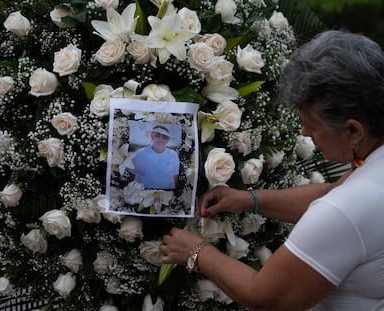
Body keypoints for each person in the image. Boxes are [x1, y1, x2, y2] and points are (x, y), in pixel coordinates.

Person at [160, 30, 384, 310]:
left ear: (353, 130)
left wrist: (195, 250)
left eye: (312, 126)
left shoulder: (347, 209)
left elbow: (264, 296)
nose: (305, 132)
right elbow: (331, 192)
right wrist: (249, 199)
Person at [131, 124, 180, 190]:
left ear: (167, 140)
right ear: (152, 136)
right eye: (157, 135)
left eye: (164, 137)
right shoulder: (139, 153)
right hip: (142, 192)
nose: (161, 139)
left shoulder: (173, 155)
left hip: (166, 192)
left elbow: (175, 176)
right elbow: (131, 174)